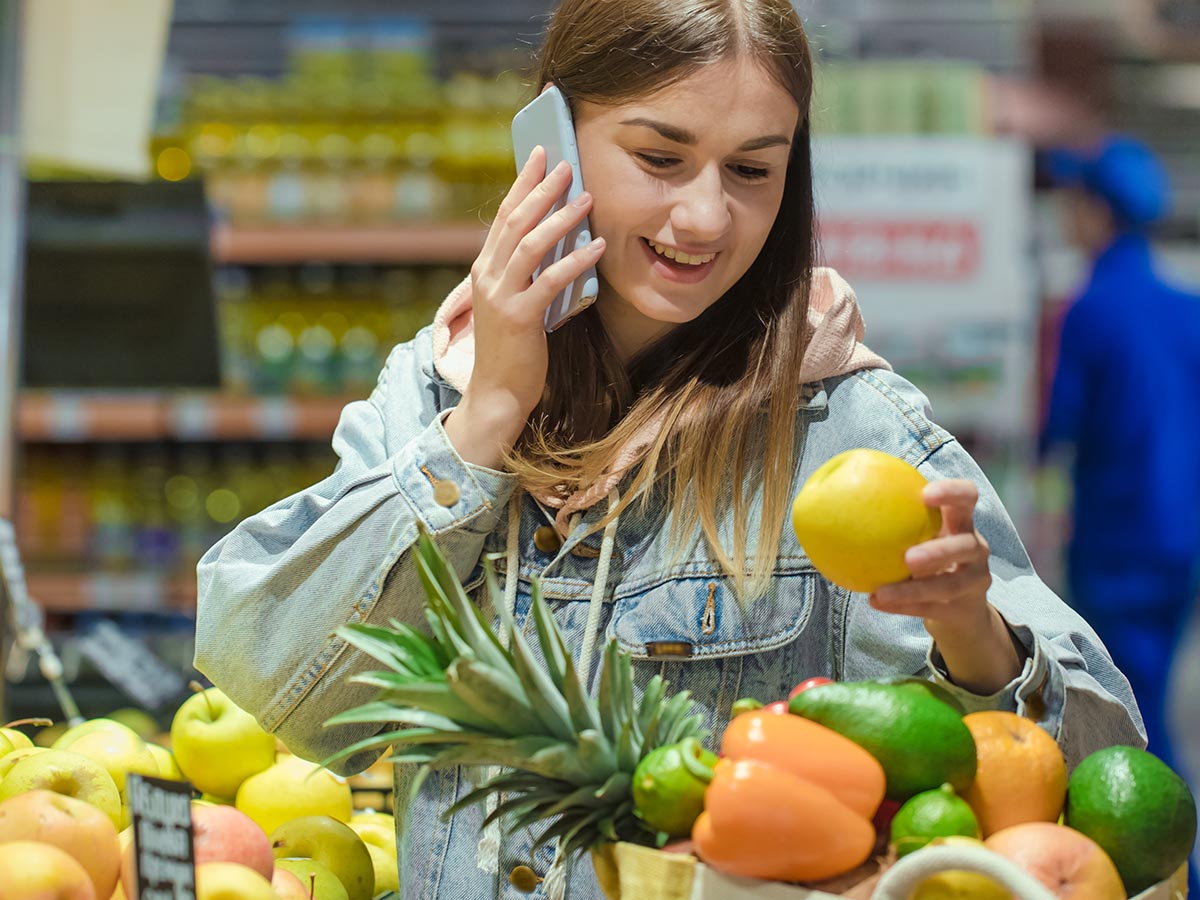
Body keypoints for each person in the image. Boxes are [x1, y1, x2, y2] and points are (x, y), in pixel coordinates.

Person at [196, 2, 1143, 897]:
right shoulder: (433, 392)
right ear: (550, 143)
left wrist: (976, 639)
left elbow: (1104, 785)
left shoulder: (850, 430)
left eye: (751, 170)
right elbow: (282, 692)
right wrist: (484, 422)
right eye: (660, 157)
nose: (705, 219)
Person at [1041, 137, 1200, 789]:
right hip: (1181, 538)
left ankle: (1176, 873)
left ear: (1099, 213)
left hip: (1116, 543)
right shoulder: (1186, 306)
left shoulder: (1092, 310)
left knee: (1127, 718)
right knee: (1154, 698)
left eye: (1074, 205)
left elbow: (1056, 428)